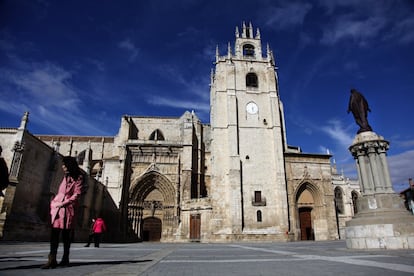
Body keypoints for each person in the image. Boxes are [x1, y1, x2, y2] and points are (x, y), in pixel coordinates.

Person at [41, 156, 84, 269]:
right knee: (54, 235)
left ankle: (65, 258)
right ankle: (52, 259)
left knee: (66, 235)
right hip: (57, 208)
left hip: (67, 209)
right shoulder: (65, 177)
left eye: (64, 165)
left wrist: (65, 203)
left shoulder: (78, 177)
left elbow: (77, 194)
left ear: (69, 165)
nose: (63, 167)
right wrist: (54, 203)